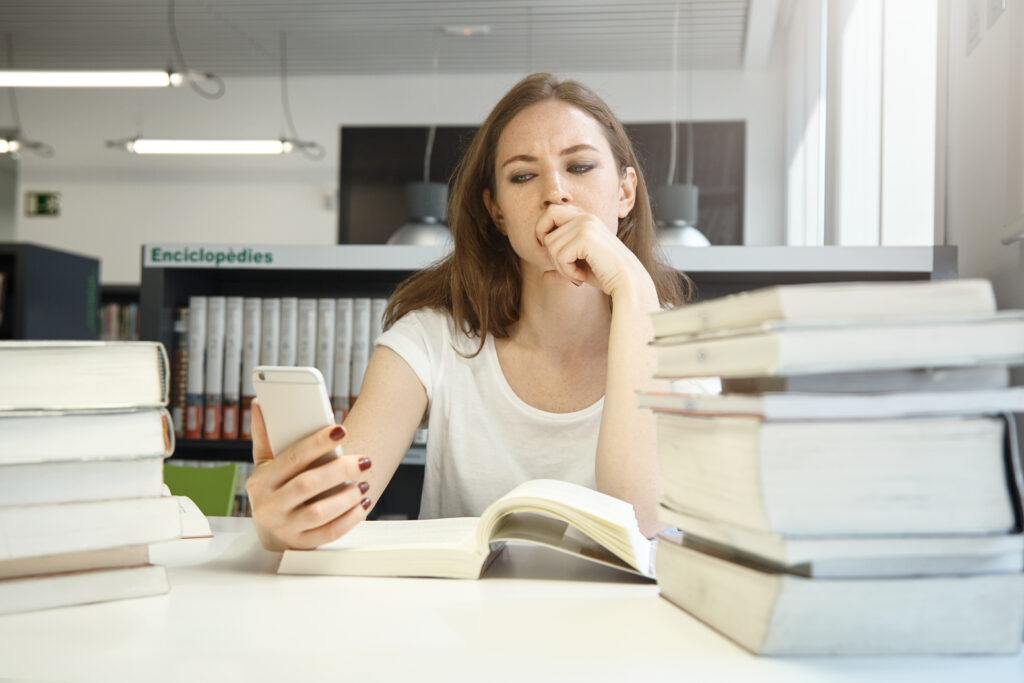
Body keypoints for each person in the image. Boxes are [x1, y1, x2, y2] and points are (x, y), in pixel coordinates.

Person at [246, 72, 716, 551]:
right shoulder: (429, 339)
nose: (555, 193)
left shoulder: (690, 349)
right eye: (523, 175)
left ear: (625, 192)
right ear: (497, 211)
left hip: (619, 624)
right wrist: (284, 520)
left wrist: (632, 286)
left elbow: (636, 520)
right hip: (454, 622)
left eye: (579, 167)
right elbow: (333, 508)